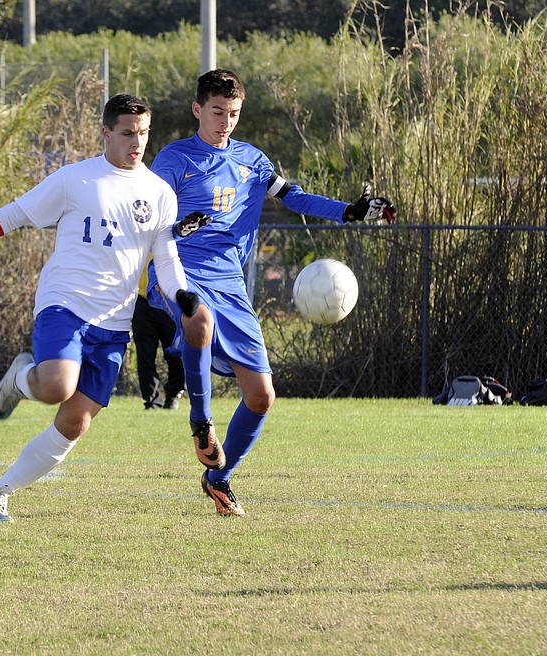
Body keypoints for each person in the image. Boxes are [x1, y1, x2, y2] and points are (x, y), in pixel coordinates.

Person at [0, 93, 204, 523]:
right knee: (57, 384)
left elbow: (165, 259)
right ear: (106, 133)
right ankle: (20, 379)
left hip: (115, 322)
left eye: (144, 133)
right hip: (65, 302)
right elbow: (14, 214)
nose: (137, 142)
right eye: (128, 133)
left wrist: (181, 296)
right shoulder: (76, 179)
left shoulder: (160, 193)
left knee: (73, 424)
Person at [147, 69, 397, 517]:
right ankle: (201, 423)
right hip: (181, 271)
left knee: (262, 397)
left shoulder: (252, 161)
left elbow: (294, 197)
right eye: (217, 111)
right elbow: (149, 211)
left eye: (234, 113)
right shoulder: (174, 159)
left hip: (231, 284)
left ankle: (218, 479)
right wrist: (173, 227)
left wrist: (350, 212)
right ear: (197, 109)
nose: (225, 121)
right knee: (198, 321)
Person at [132, 266, 185, 410]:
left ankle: (174, 394)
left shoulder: (173, 242)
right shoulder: (139, 243)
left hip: (168, 302)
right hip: (142, 302)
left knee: (175, 354)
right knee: (145, 355)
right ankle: (152, 400)